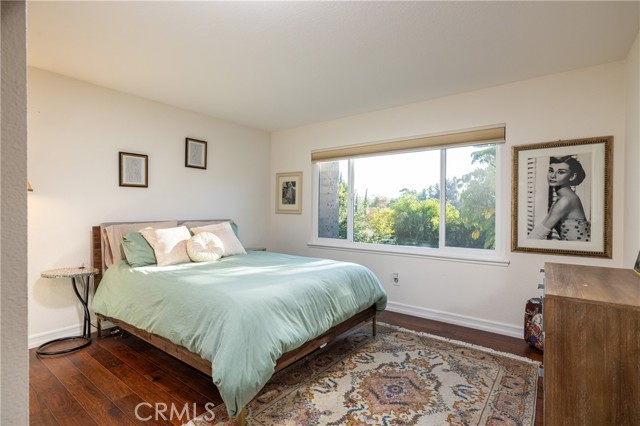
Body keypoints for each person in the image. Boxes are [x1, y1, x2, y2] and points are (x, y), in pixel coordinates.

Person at [529, 155, 590, 241]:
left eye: (561, 172)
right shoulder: (563, 198)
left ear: (572, 176)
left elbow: (538, 235)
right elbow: (540, 229)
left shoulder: (567, 200)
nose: (553, 176)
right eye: (551, 170)